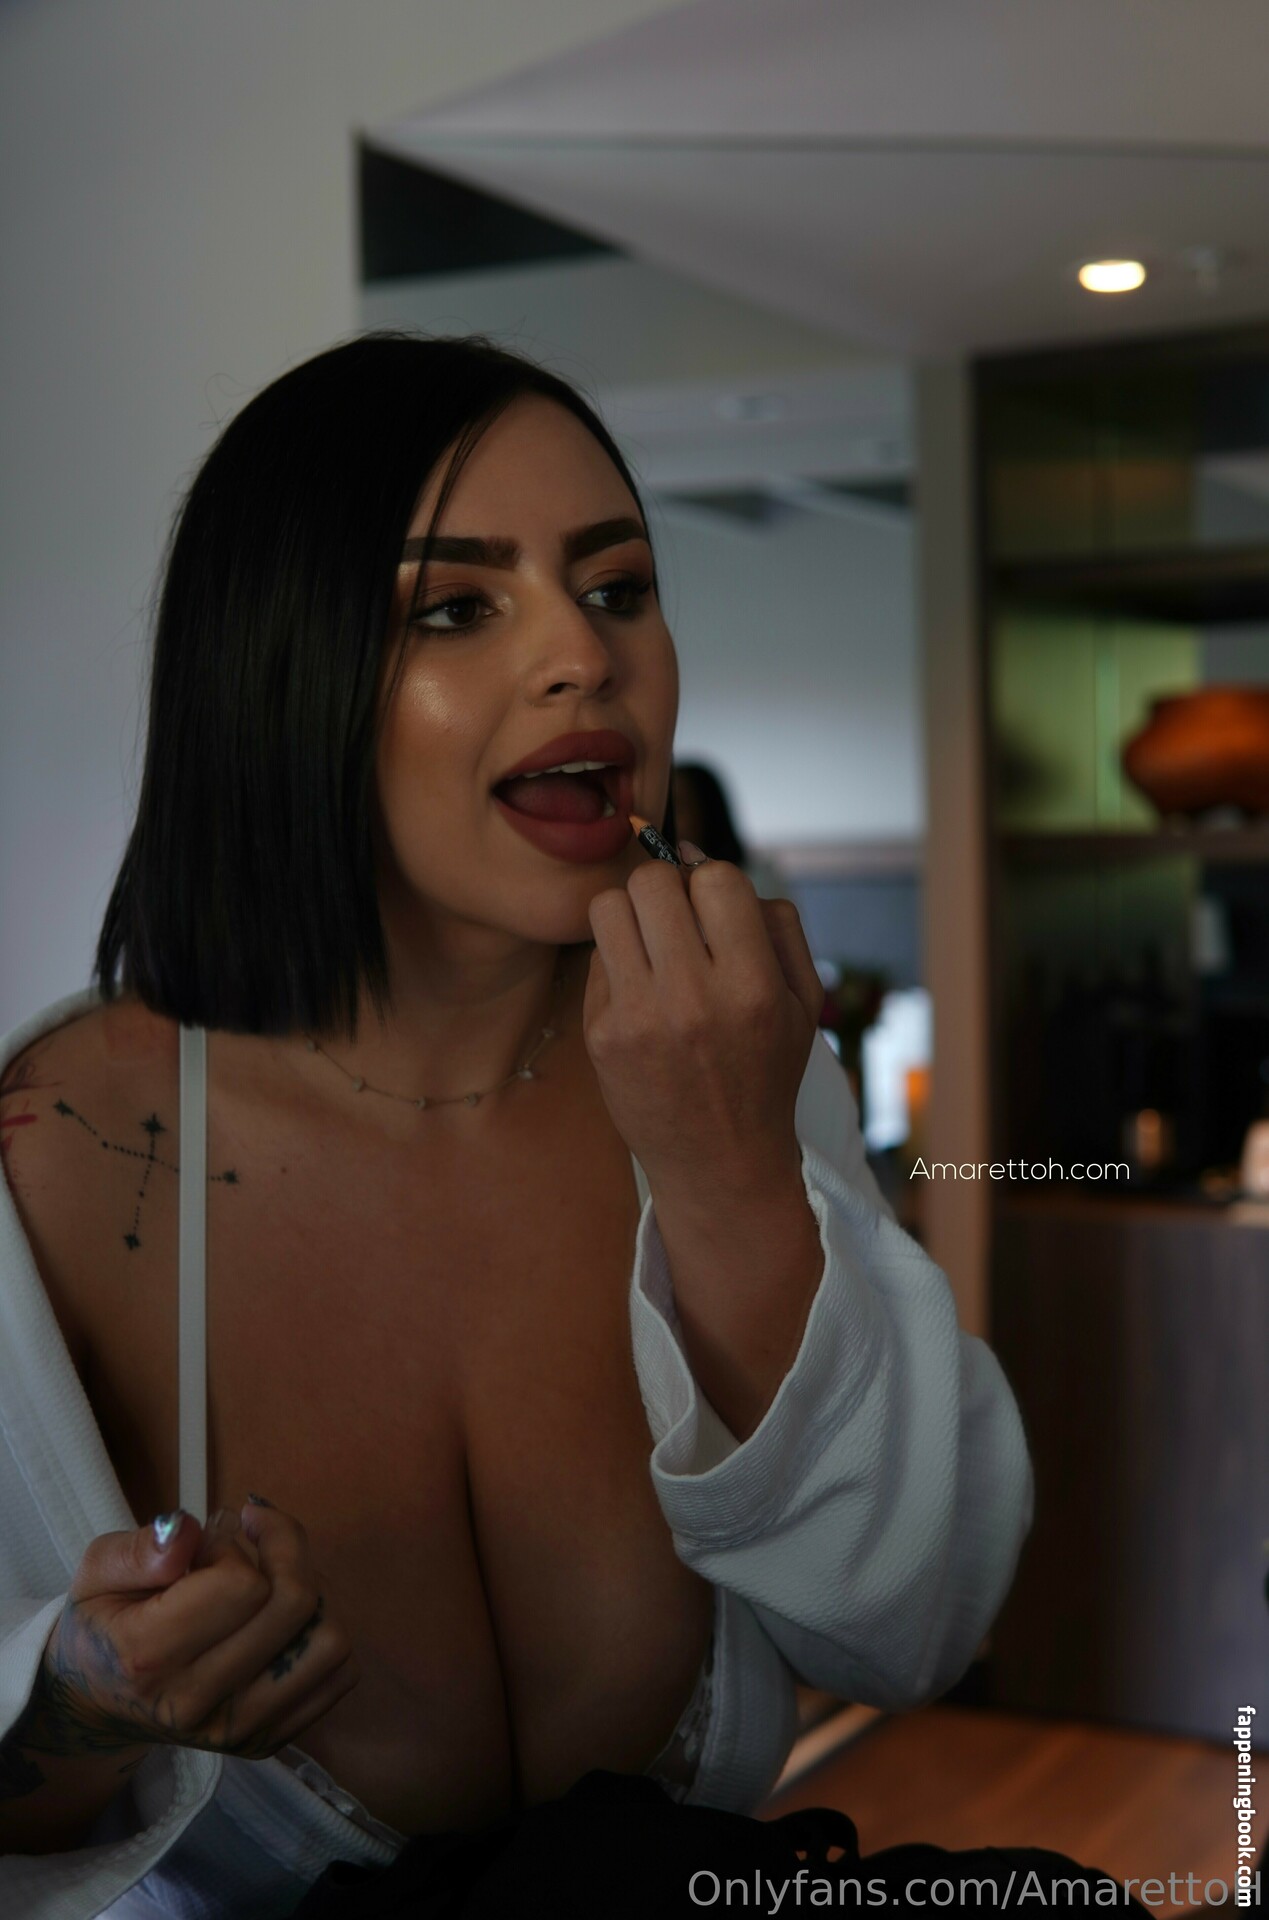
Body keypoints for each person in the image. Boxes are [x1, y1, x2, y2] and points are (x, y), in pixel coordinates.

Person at [0, 332, 1123, 1917]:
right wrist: (79, 1709)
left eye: (616, 587)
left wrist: (732, 1176)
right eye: (455, 608)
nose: (585, 656)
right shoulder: (47, 1158)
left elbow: (916, 1631)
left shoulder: (720, 1067)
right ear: (277, 673)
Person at [670, 762, 787, 903]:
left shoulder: (759, 880)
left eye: (679, 808)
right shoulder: (668, 880)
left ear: (709, 811)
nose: (667, 820)